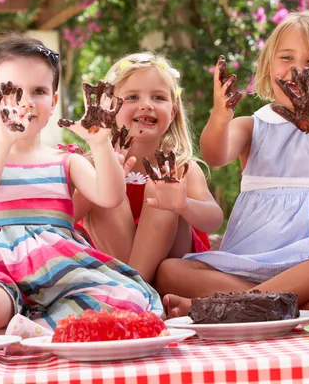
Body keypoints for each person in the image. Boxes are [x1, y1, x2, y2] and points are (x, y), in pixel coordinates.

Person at [0, 35, 162, 340]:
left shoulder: (67, 160)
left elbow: (110, 195)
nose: (25, 102)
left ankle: (22, 330)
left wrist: (100, 144)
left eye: (38, 91)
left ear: (53, 101)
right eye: (11, 91)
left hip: (58, 271)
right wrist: (2, 139)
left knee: (126, 297)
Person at [156, 11, 309, 317]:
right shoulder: (252, 126)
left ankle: (233, 304)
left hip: (307, 257)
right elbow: (215, 154)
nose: (297, 70)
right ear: (267, 67)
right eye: (287, 58)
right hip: (249, 259)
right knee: (168, 271)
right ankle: (284, 302)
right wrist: (220, 116)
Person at [74, 52, 224, 283]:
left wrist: (182, 204)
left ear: (172, 112)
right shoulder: (90, 164)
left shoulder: (182, 167)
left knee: (162, 186)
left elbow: (214, 219)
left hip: (169, 265)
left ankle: (136, 290)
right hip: (113, 266)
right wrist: (104, 181)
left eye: (158, 98)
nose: (146, 105)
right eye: (132, 97)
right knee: (107, 188)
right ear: (110, 110)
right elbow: (66, 217)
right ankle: (137, 290)